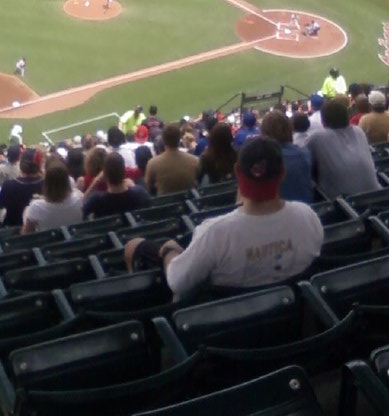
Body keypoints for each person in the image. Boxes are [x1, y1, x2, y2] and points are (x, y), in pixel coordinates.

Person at [125, 137, 323, 298]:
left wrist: (169, 251)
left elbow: (177, 282)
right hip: (290, 327)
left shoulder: (215, 232)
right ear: (282, 174)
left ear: (238, 173)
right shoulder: (307, 217)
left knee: (135, 245)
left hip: (233, 338)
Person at [307, 96, 379, 198]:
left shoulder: (317, 138)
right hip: (379, 198)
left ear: (323, 122)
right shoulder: (359, 132)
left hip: (347, 206)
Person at [259, 110, 313, 205]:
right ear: (290, 129)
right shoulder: (304, 153)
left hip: (282, 213)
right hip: (306, 209)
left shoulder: (262, 161)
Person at [22, 158, 83, 232]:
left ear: (46, 183)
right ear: (67, 181)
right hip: (74, 240)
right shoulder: (79, 198)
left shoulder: (36, 206)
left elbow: (26, 233)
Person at [83, 152, 150, 218]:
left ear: (104, 175)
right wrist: (134, 187)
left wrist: (95, 181)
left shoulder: (96, 200)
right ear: (124, 171)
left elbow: (80, 209)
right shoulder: (140, 193)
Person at [145, 123, 198, 196]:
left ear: (163, 139)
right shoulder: (194, 160)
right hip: (190, 202)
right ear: (179, 138)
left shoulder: (153, 164)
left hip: (165, 204)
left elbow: (149, 187)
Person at [0, 147, 44, 226]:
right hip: (41, 226)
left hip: (14, 227)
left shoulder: (9, 185)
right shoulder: (48, 183)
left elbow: (1, 205)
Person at [197, 121, 237, 187]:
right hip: (233, 190)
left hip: (215, 192)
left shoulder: (206, 157)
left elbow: (198, 180)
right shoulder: (237, 153)